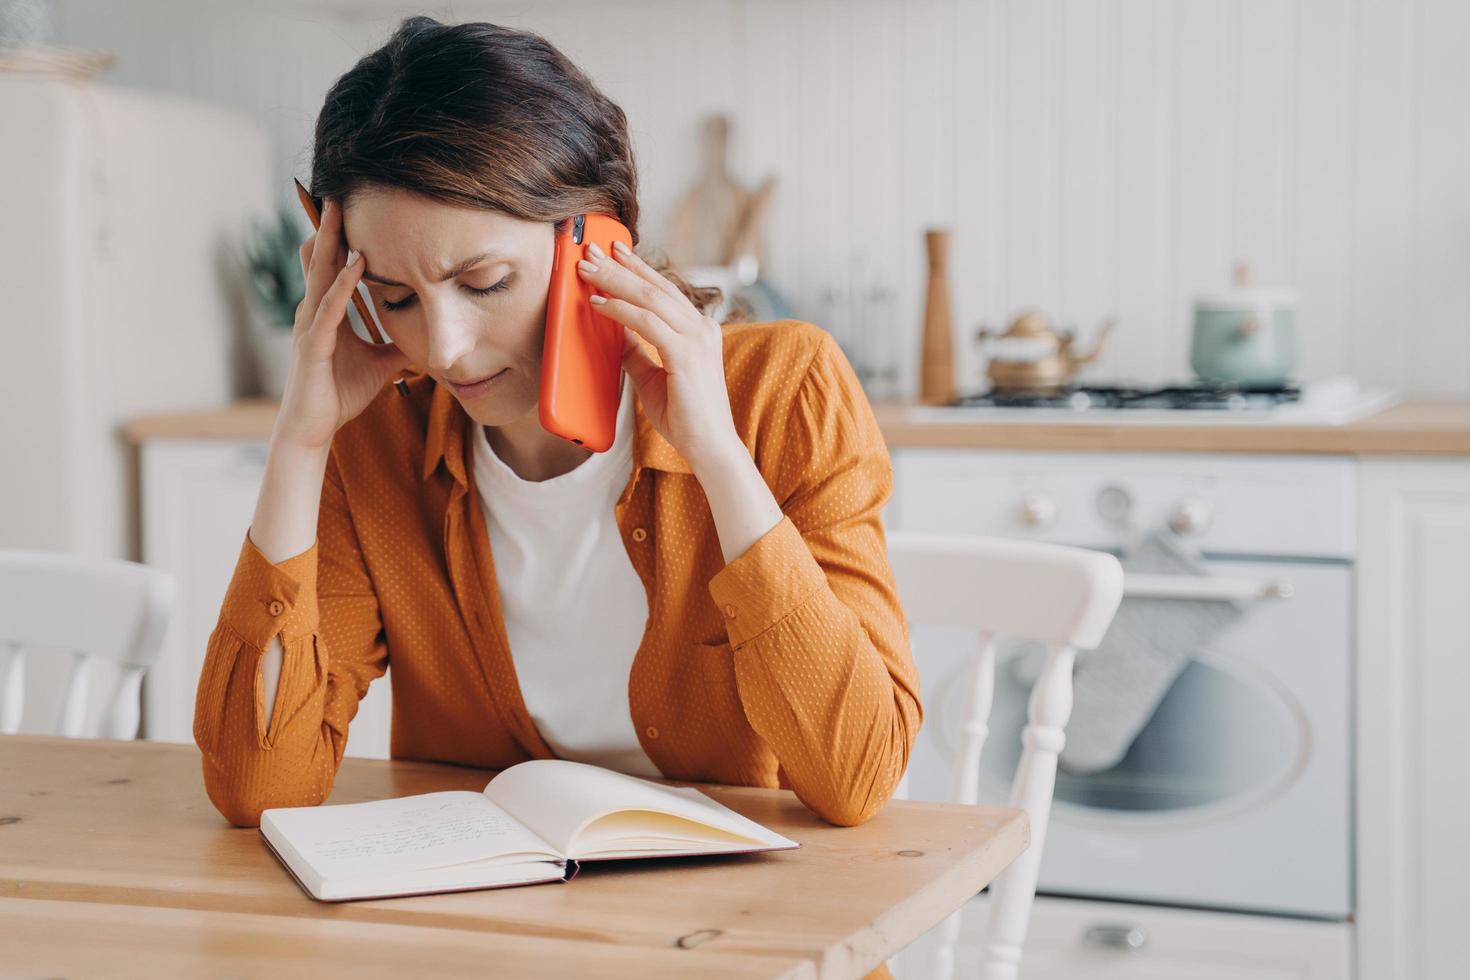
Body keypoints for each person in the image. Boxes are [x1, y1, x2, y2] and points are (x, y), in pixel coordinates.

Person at [193, 16, 920, 850]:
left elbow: (858, 775)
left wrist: (717, 455)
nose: (445, 348)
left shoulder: (783, 390)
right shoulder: (378, 439)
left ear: (597, 240)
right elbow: (257, 787)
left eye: (486, 281)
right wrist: (299, 442)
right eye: (396, 298)